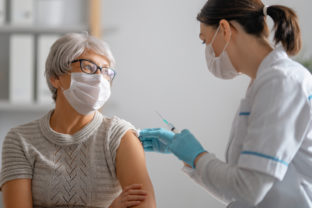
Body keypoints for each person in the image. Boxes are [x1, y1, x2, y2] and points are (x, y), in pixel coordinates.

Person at [139, 0, 312, 207]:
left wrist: (197, 156)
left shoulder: (281, 81)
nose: (207, 51)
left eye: (205, 41)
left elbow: (249, 189)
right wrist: (188, 157)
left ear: (224, 29)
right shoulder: (263, 84)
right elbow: (237, 192)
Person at [0, 33, 156, 208]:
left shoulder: (120, 136)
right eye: (88, 67)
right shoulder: (21, 140)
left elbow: (145, 204)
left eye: (106, 71)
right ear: (55, 77)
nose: (99, 78)